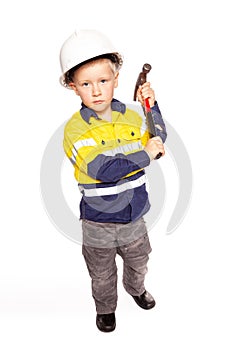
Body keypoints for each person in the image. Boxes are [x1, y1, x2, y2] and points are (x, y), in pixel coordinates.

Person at [59, 29, 167, 332]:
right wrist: (145, 155)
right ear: (73, 87)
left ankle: (136, 290)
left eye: (103, 81)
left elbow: (158, 140)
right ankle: (105, 310)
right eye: (85, 84)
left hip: (135, 218)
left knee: (139, 262)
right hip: (98, 223)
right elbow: (101, 169)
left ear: (116, 79)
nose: (96, 91)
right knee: (102, 274)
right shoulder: (75, 130)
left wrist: (150, 108)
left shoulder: (133, 117)